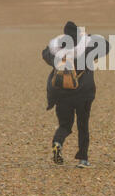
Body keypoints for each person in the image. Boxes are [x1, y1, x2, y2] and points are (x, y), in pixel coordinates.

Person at [42, 21, 110, 168]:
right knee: (83, 125)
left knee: (65, 125)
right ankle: (83, 160)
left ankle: (57, 142)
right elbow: (106, 46)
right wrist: (89, 37)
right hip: (83, 94)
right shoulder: (87, 47)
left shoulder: (57, 50)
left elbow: (44, 53)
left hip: (61, 94)